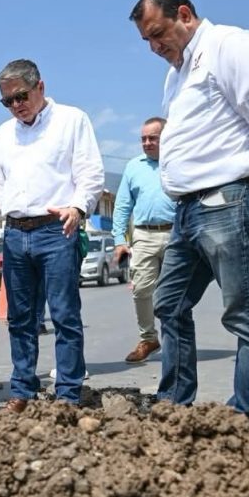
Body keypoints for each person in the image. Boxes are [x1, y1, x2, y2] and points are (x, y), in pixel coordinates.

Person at [129, 0, 249, 427]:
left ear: (184, 14)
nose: (154, 46)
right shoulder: (176, 73)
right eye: (146, 40)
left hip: (230, 199)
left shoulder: (229, 45)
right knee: (169, 303)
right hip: (187, 210)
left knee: (244, 314)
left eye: (158, 33)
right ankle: (175, 405)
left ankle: (243, 418)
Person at [0, 59, 104, 412]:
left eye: (21, 96)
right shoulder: (4, 134)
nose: (16, 106)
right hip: (15, 235)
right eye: (8, 101)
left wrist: (77, 208)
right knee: (20, 319)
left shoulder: (71, 121)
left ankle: (68, 392)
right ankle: (22, 389)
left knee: (64, 315)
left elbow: (90, 172)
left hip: (56, 232)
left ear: (40, 87)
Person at [111, 117, 177, 363]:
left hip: (176, 234)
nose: (147, 143)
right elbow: (122, 206)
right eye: (143, 139)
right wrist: (120, 239)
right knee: (141, 290)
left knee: (173, 292)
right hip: (143, 235)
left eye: (153, 138)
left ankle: (175, 340)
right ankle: (149, 337)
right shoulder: (133, 166)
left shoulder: (179, 163)